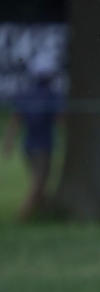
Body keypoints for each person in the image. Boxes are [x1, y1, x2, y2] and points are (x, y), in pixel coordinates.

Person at [2, 54, 64, 220]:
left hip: (28, 146)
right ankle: (22, 215)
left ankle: (45, 213)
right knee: (39, 182)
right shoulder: (52, 95)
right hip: (44, 146)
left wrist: (8, 142)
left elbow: (15, 121)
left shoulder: (26, 95)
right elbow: (60, 120)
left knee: (41, 182)